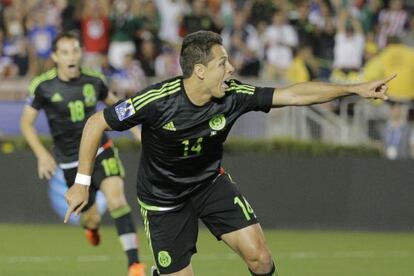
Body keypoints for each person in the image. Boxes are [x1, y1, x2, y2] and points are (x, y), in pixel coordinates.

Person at [64, 31, 394, 276]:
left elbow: (293, 95)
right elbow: (96, 122)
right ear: (200, 71)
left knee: (261, 259)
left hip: (210, 185)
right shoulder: (157, 100)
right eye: (223, 62)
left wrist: (354, 88)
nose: (232, 68)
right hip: (163, 199)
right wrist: (81, 182)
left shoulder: (233, 95)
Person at [20, 32, 145, 276]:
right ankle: (91, 227)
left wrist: (137, 130)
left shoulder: (94, 80)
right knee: (92, 218)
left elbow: (116, 105)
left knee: (117, 199)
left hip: (101, 150)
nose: (72, 57)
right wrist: (42, 155)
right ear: (56, 56)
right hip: (70, 162)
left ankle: (134, 264)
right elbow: (26, 124)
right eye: (65, 52)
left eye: (76, 50)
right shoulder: (42, 86)